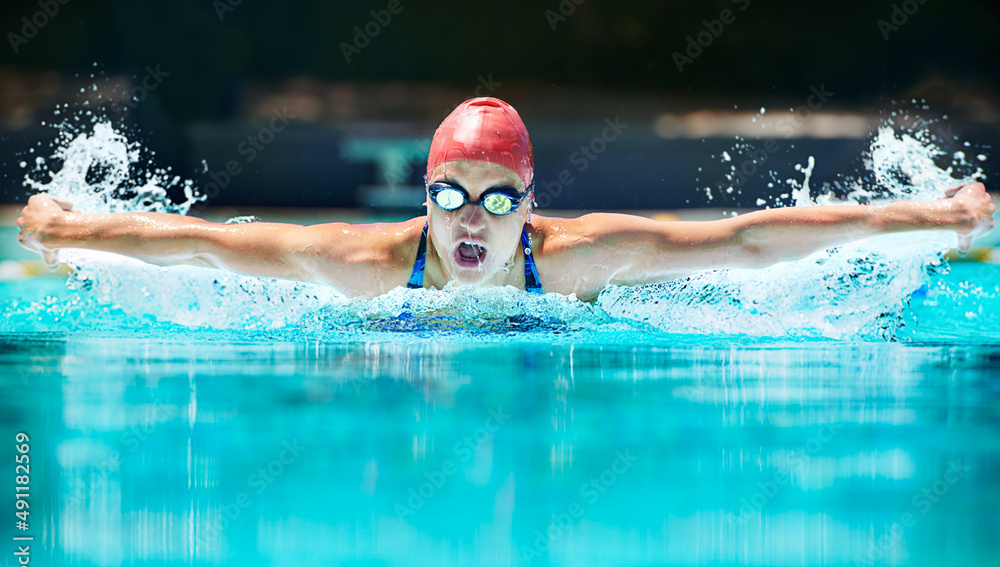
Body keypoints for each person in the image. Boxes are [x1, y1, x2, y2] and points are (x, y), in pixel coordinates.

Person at [15, 97, 996, 304]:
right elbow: (202, 246)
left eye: (494, 198)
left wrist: (932, 217)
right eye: (449, 194)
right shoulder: (364, 263)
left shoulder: (568, 255)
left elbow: (744, 241)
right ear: (424, 194)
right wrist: (67, 229)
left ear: (529, 199)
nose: (472, 219)